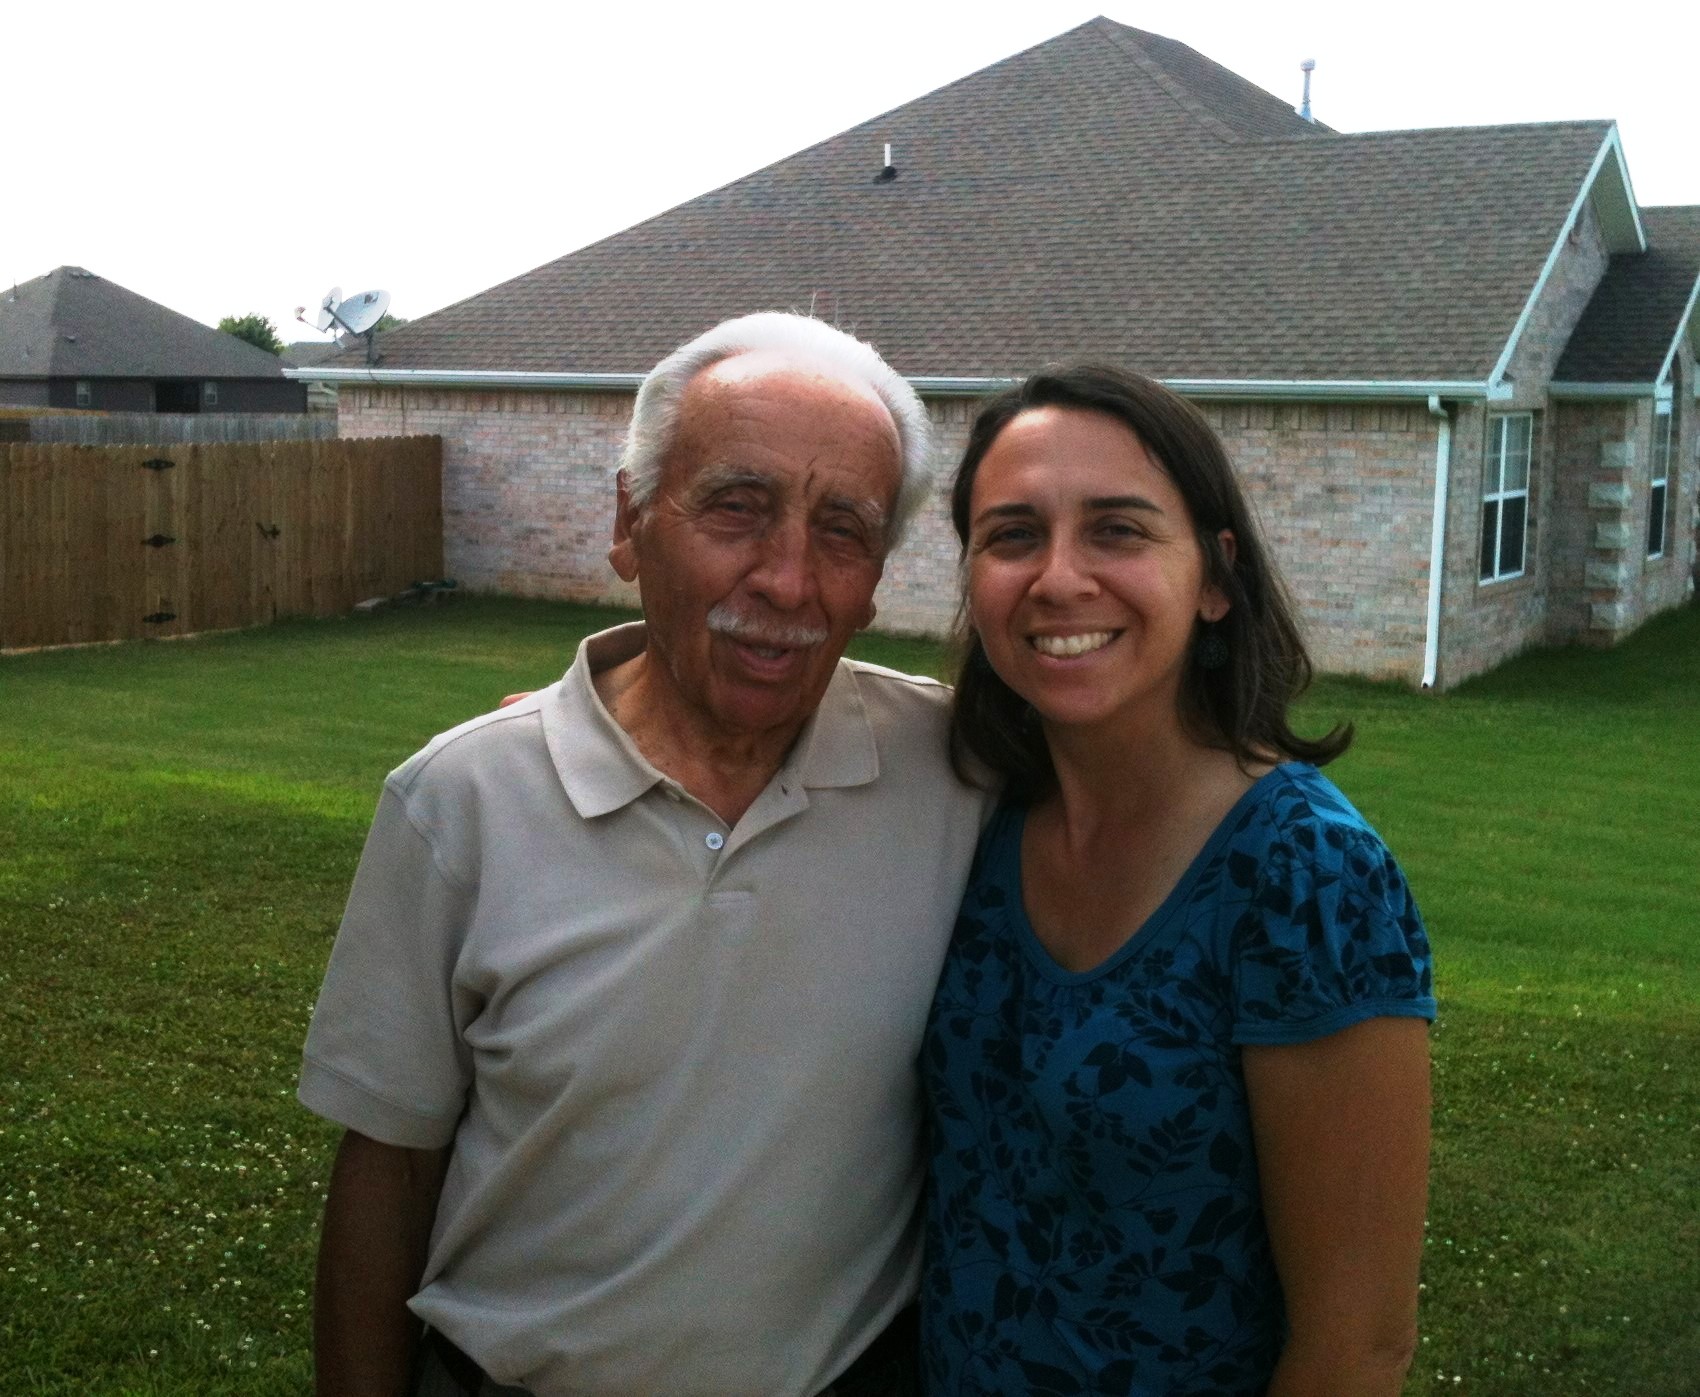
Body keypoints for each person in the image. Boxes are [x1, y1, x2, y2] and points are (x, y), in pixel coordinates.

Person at [297, 312, 990, 1397]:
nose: (787, 579)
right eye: (737, 506)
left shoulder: (958, 776)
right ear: (630, 523)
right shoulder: (460, 801)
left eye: (842, 530)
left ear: (875, 579)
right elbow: (390, 1164)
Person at [920, 366, 1434, 1396]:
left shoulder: (1306, 877)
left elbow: (1357, 1346)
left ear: (1214, 579)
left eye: (1117, 529)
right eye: (1011, 535)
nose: (1058, 577)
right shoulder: (969, 815)